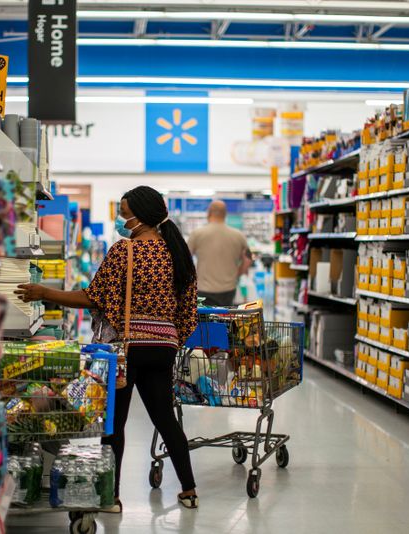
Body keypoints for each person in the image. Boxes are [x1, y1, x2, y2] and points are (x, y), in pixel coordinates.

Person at [15, 186, 199, 512]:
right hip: (164, 346)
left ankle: (111, 497)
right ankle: (189, 489)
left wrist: (44, 292)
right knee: (165, 419)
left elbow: (93, 297)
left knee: (115, 423)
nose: (121, 217)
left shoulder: (123, 252)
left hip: (127, 349)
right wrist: (171, 338)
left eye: (124, 211)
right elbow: (188, 311)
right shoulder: (177, 253)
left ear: (139, 216)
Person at [188, 200, 252, 307]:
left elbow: (185, 259)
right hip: (228, 288)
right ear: (225, 214)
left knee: (205, 322)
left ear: (209, 213)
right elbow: (248, 258)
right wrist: (238, 273)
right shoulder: (238, 235)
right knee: (225, 320)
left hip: (204, 288)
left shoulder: (197, 234)